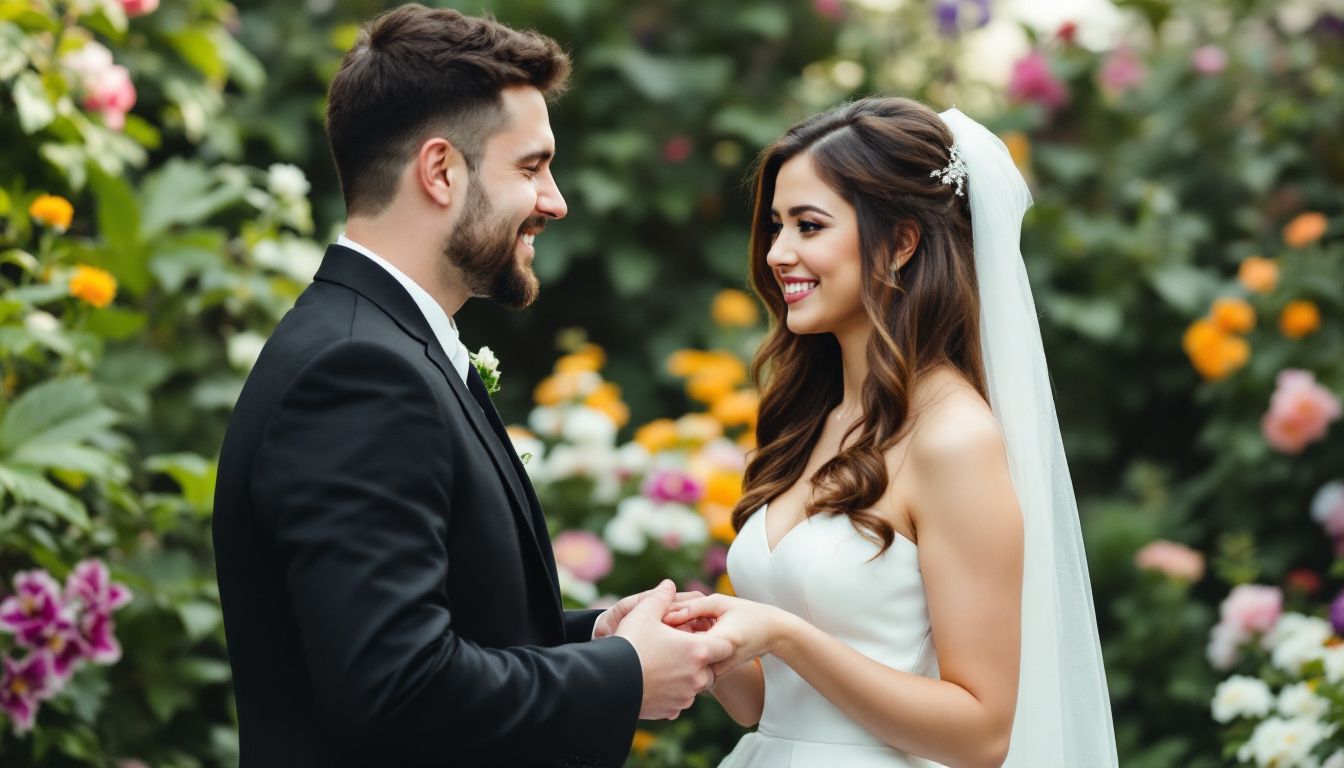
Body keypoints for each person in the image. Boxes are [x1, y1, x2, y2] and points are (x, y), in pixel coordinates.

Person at [211, 5, 728, 766]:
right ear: (441, 171)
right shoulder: (358, 373)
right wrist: (626, 675)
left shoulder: (384, 343)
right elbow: (398, 690)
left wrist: (595, 638)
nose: (555, 201)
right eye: (531, 167)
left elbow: (438, 633)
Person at [663, 97, 1119, 767]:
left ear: (901, 243)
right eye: (776, 226)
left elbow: (982, 733)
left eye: (808, 226)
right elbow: (768, 705)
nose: (778, 252)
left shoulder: (952, 439)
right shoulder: (808, 419)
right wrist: (705, 630)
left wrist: (786, 635)